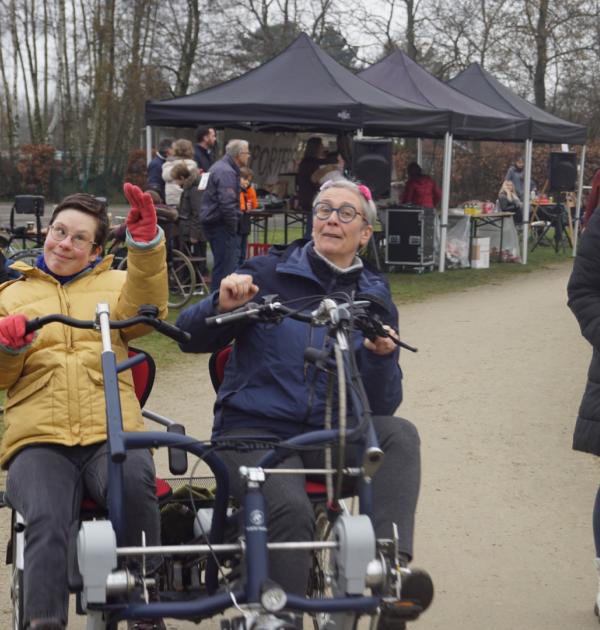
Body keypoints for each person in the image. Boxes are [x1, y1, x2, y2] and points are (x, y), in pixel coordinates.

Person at [176, 179, 421, 602]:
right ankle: (278, 615)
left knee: (400, 434)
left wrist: (381, 357)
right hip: (253, 433)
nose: (331, 219)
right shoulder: (266, 273)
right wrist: (221, 306)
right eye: (324, 209)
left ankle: (388, 571)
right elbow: (187, 336)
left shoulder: (373, 297)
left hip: (329, 434)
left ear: (364, 234)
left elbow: (381, 404)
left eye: (346, 213)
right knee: (289, 508)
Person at [0, 186, 168, 630]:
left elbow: (150, 305)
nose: (63, 244)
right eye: (59, 231)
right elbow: (1, 380)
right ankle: (43, 620)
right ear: (46, 230)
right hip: (39, 437)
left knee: (135, 484)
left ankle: (145, 608)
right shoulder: (10, 294)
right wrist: (8, 347)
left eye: (78, 239)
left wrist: (147, 244)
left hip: (111, 431)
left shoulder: (116, 287)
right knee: (45, 514)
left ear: (96, 250)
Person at [199, 139, 251, 291]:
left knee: (222, 264)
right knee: (225, 268)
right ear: (239, 154)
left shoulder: (222, 167)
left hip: (216, 222)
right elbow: (227, 204)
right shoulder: (226, 171)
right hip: (220, 224)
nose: (248, 156)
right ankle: (219, 301)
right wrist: (233, 226)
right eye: (247, 153)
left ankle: (217, 299)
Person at [170, 161, 209, 279]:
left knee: (196, 257)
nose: (175, 183)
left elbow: (197, 213)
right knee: (189, 258)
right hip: (188, 229)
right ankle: (189, 281)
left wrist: (194, 234)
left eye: (176, 180)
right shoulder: (189, 188)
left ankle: (197, 282)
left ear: (181, 177)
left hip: (193, 232)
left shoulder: (194, 190)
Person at [296, 136, 328, 238]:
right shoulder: (312, 163)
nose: (323, 148)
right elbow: (315, 181)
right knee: (311, 229)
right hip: (311, 199)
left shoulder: (305, 162)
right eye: (321, 145)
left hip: (306, 198)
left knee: (312, 227)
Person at [162, 138, 197, 206]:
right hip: (186, 198)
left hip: (171, 199)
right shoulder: (191, 164)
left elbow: (165, 176)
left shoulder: (168, 163)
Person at [238, 166, 259, 266]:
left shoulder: (249, 190)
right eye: (245, 179)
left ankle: (241, 267)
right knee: (237, 251)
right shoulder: (237, 190)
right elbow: (241, 206)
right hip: (238, 223)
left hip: (245, 224)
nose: (247, 182)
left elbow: (254, 204)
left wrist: (249, 189)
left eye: (249, 180)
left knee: (243, 251)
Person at [146, 138, 173, 202]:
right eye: (174, 149)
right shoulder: (156, 164)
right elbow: (154, 187)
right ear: (168, 151)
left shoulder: (163, 162)